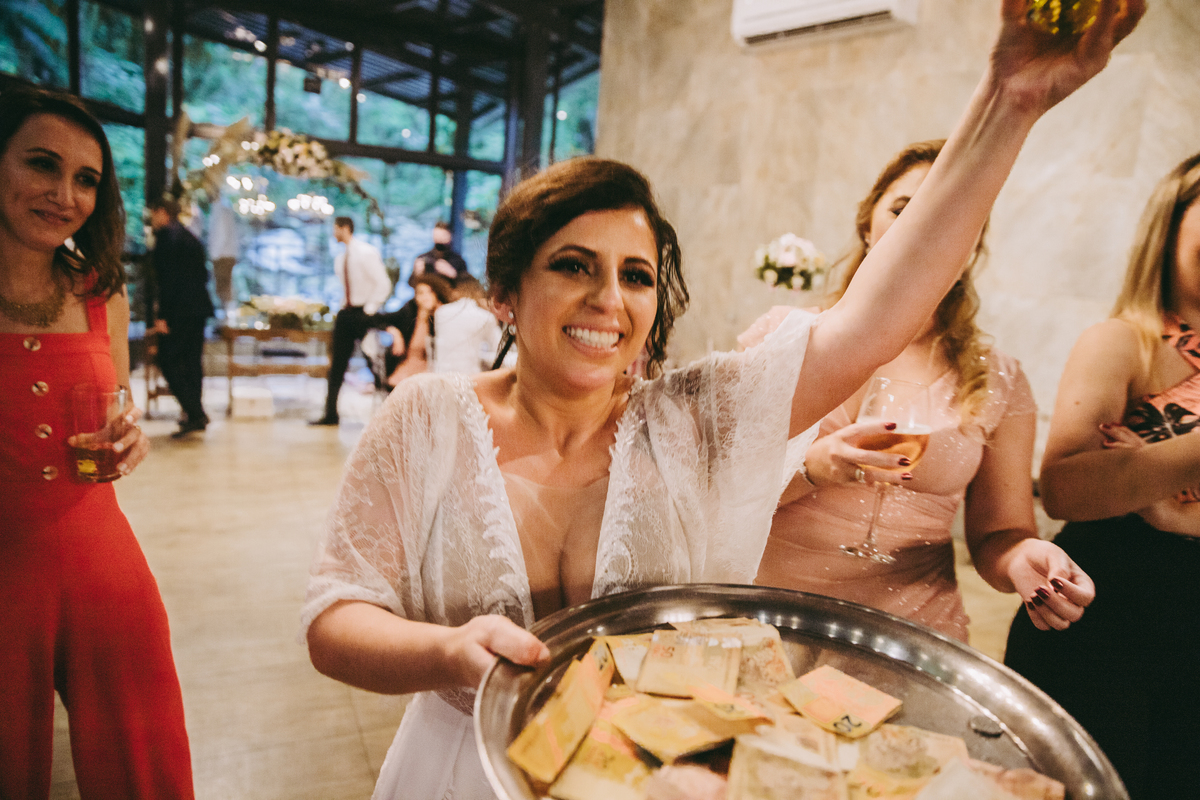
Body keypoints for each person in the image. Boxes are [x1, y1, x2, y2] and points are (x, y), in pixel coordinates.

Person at [301, 4, 1143, 798]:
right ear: (504, 294)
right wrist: (449, 653)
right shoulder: (426, 418)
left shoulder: (690, 421)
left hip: (651, 773)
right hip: (458, 766)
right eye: (572, 265)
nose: (609, 299)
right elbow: (336, 621)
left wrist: (1010, 101)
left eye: (636, 276)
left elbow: (874, 320)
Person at [750, 140, 1093, 642]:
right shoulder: (782, 339)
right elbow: (712, 494)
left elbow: (1000, 532)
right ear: (867, 225)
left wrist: (1022, 558)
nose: (924, 226)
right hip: (763, 615)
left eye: (955, 214)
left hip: (910, 632)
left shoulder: (999, 380)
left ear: (971, 246)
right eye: (902, 209)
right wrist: (810, 467)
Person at [0, 87, 194, 798]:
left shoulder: (99, 290)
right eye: (41, 165)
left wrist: (128, 437)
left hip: (96, 544)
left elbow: (118, 403)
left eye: (86, 179)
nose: (65, 195)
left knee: (143, 754)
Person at [1004, 152, 1200, 800]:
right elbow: (1066, 489)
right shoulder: (1121, 341)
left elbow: (1131, 488)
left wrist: (1161, 497)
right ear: (1172, 224)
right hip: (1103, 619)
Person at [311, 215, 392, 426]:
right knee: (337, 366)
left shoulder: (366, 252)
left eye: (335, 228)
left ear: (344, 228)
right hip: (346, 313)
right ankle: (330, 413)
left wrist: (369, 310)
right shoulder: (342, 257)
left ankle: (391, 412)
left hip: (363, 313)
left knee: (373, 362)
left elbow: (383, 284)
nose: (333, 233)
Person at [148, 195, 214, 438]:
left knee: (167, 359)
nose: (151, 219)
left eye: (153, 213)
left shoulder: (167, 238)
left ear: (163, 212)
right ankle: (194, 414)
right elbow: (203, 275)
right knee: (192, 361)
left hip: (178, 311)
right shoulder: (189, 236)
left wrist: (162, 316)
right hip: (198, 308)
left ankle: (195, 412)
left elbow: (167, 281)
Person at [381, 272, 453, 387]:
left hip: (431, 368)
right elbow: (378, 319)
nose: (425, 297)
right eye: (420, 293)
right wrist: (395, 332)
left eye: (430, 292)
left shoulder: (444, 316)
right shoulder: (409, 311)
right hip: (406, 365)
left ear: (437, 294)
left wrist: (440, 314)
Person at [428, 274, 502, 375]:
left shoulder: (440, 312)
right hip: (471, 377)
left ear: (455, 291)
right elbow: (500, 349)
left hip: (441, 376)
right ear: (478, 291)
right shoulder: (484, 316)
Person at [412, 219, 468, 283]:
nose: (440, 239)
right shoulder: (423, 258)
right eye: (437, 236)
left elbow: (466, 284)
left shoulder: (458, 261)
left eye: (443, 236)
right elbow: (411, 283)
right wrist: (416, 274)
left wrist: (453, 275)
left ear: (450, 236)